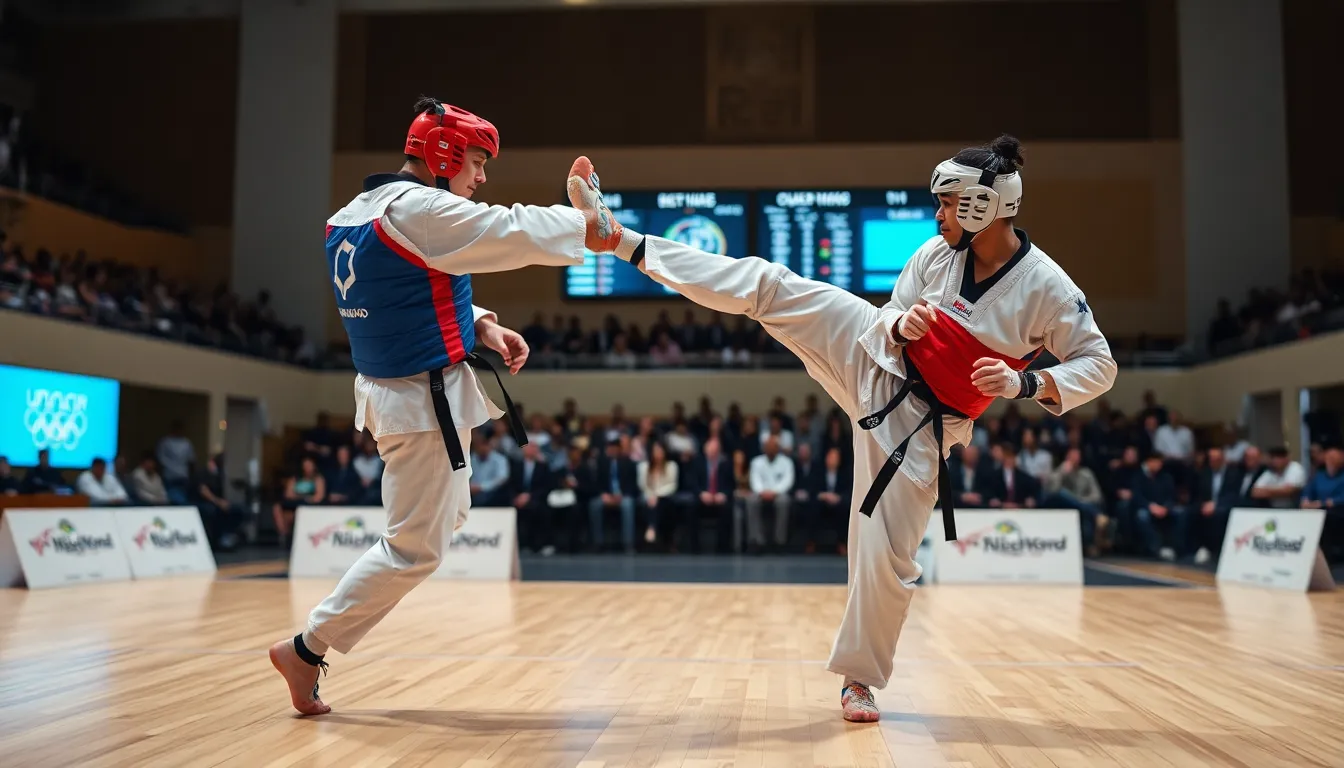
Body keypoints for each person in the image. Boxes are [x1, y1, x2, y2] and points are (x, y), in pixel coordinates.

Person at [566, 136, 1116, 722]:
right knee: (772, 286)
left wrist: (1024, 385)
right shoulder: (935, 255)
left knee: (886, 556)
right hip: (875, 361)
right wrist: (900, 326)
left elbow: (1099, 364)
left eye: (949, 204)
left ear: (984, 205)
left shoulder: (1048, 288)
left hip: (926, 425)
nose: (938, 214)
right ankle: (619, 239)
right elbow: (887, 319)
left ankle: (859, 681)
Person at [270, 96, 628, 716]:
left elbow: (413, 287)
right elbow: (507, 230)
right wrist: (586, 227)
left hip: (404, 390)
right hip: (418, 398)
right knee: (415, 549)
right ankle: (305, 649)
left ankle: (309, 648)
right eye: (476, 161)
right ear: (441, 154)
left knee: (445, 518)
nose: (481, 177)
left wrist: (482, 327)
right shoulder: (420, 208)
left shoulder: (356, 214)